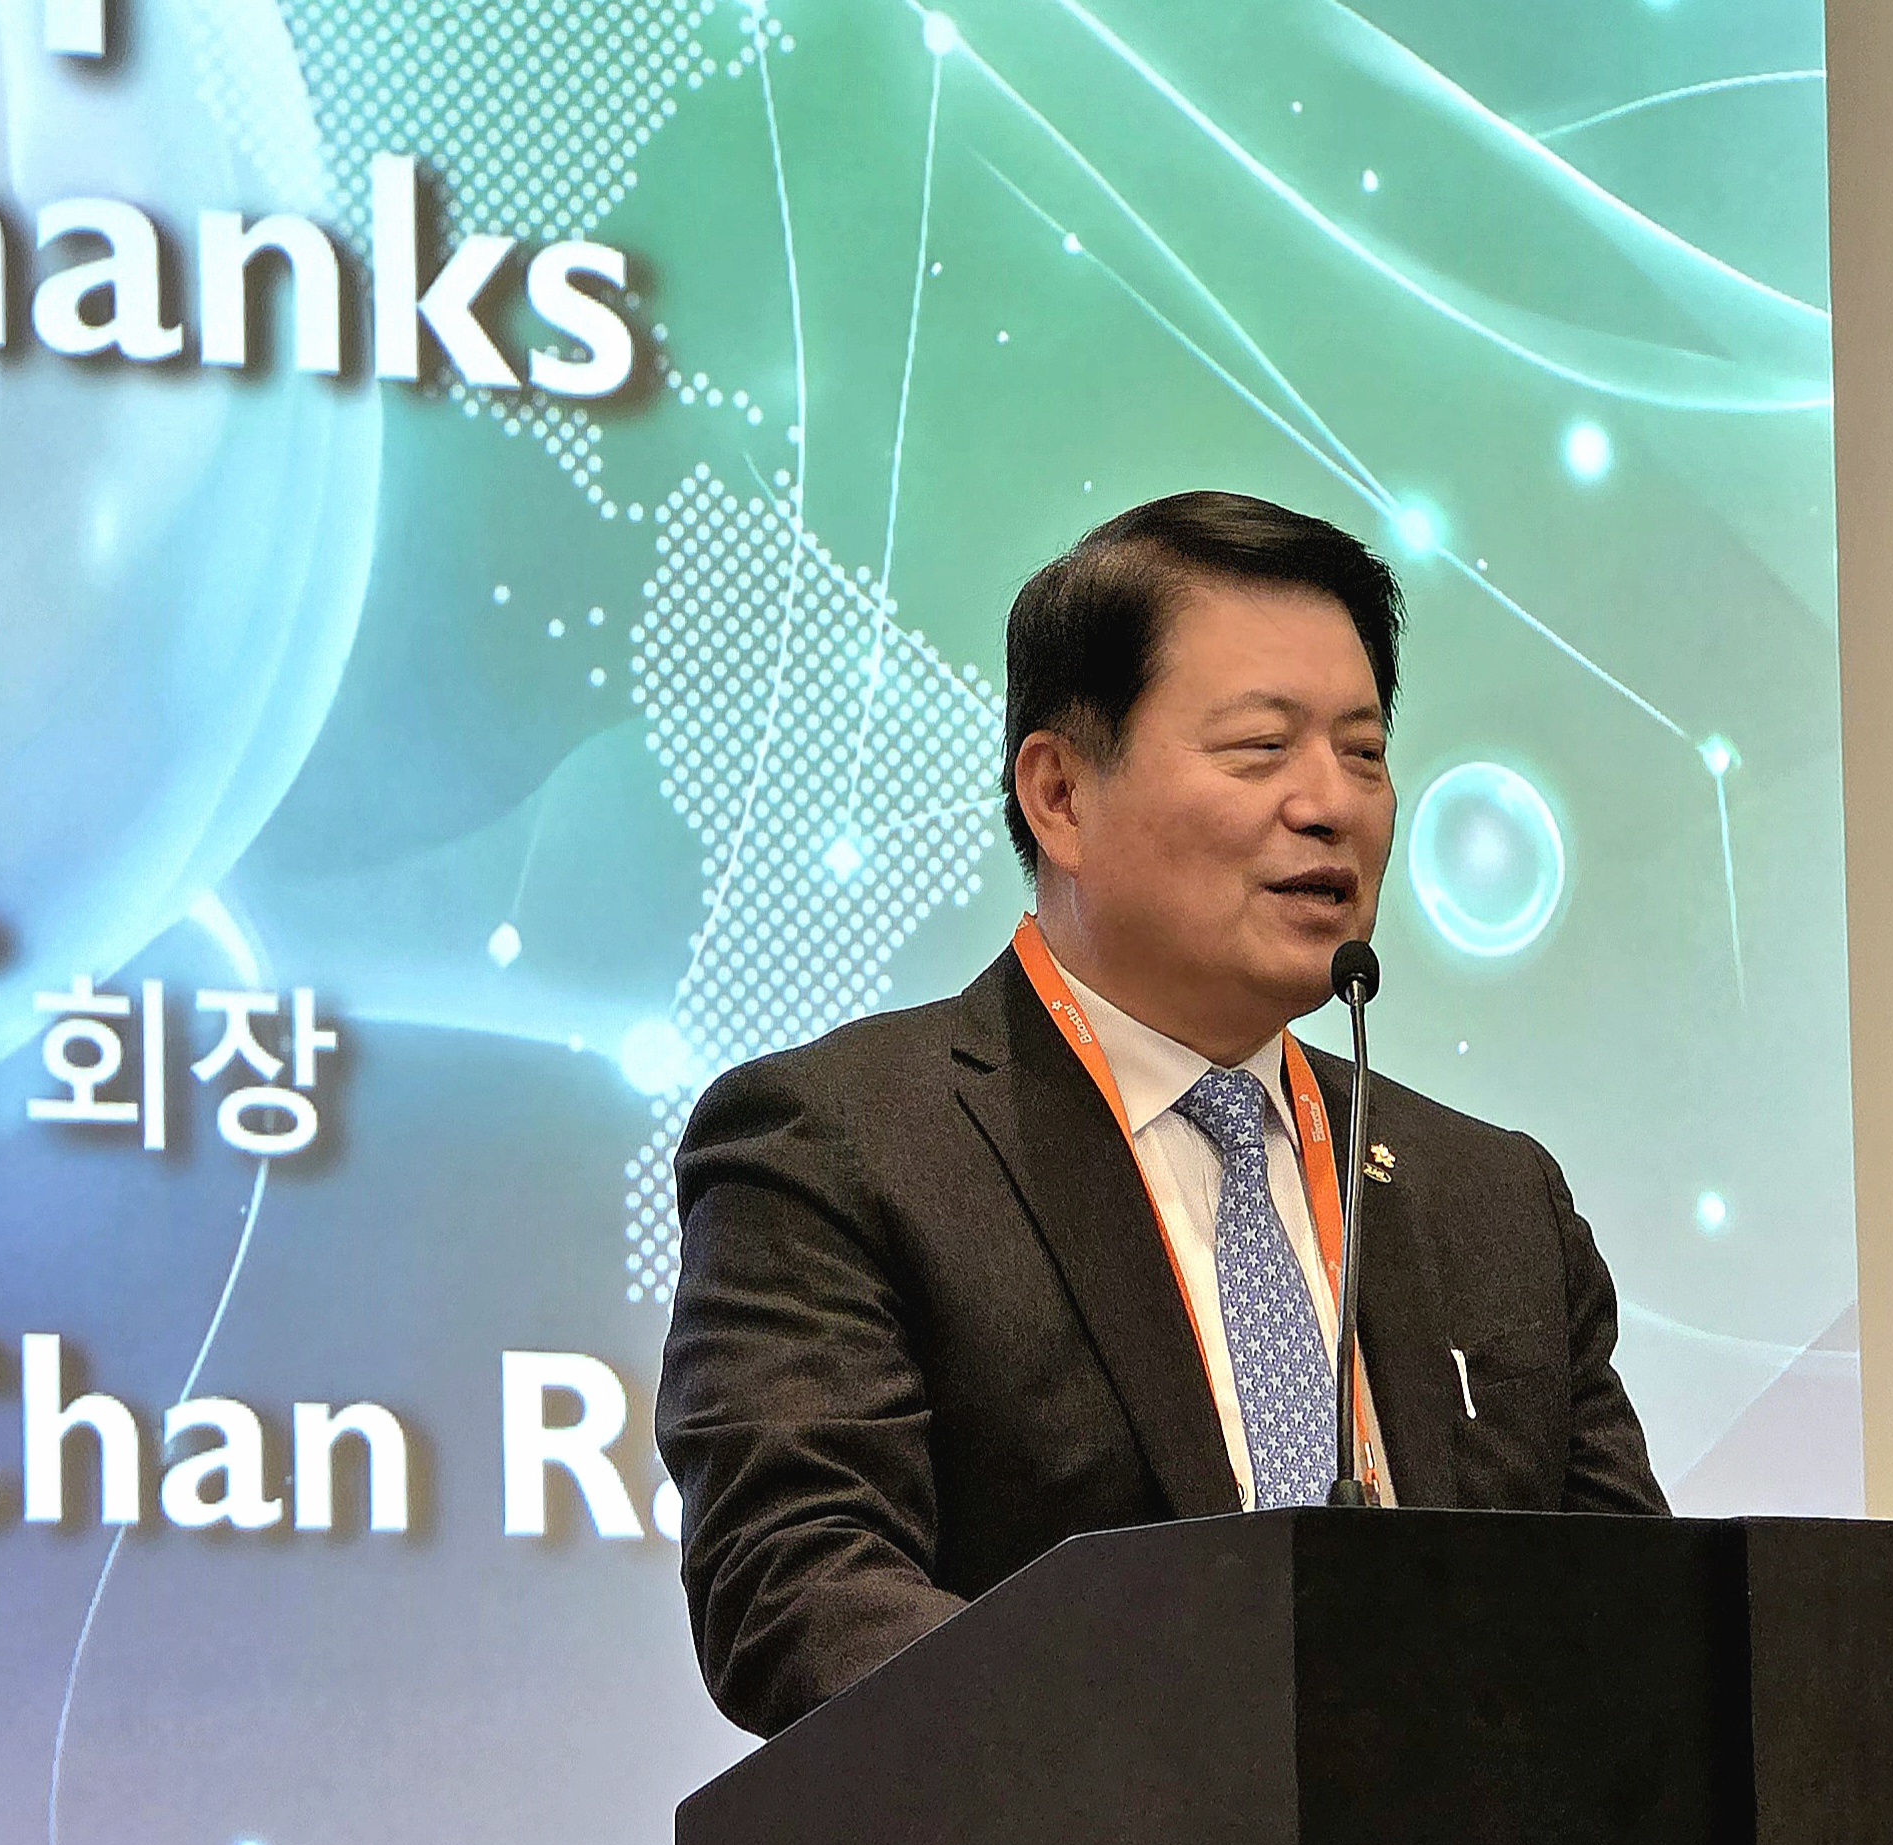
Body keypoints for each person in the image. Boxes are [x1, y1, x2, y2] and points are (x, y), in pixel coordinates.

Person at [655, 489, 1666, 1744]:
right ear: (1060, 795)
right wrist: (1202, 1757)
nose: (1331, 803)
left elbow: (1640, 1632)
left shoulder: (1493, 1198)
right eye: (1260, 748)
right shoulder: (842, 1146)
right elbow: (796, 1586)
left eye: (1362, 751)